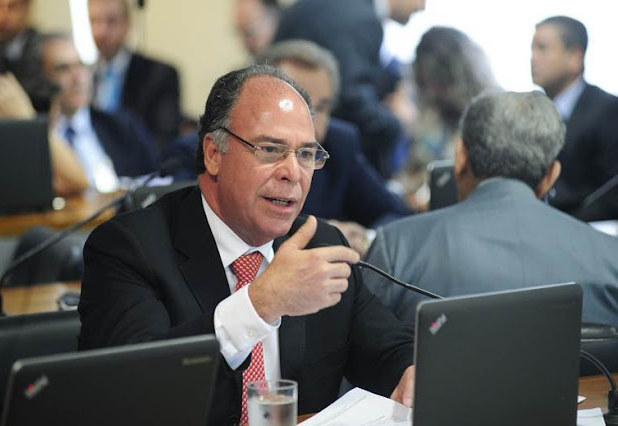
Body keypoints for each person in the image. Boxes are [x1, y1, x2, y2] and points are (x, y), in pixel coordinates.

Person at [78, 64, 415, 425]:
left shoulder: (318, 246)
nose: (292, 173)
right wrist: (259, 304)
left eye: (305, 154)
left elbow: (389, 348)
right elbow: (131, 390)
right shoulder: (129, 249)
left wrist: (409, 372)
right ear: (213, 153)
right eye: (270, 149)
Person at [362, 90, 618, 332]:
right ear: (551, 176)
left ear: (460, 157)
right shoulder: (611, 260)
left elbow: (357, 351)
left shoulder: (396, 247)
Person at [262, 39, 410, 254]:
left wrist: (365, 238)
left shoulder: (339, 144)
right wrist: (323, 234)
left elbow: (397, 215)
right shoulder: (242, 149)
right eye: (298, 106)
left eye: (322, 108)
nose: (312, 123)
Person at [274, 0, 426, 178]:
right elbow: (353, 100)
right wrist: (397, 122)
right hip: (315, 163)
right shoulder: (363, 19)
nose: (422, 7)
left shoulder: (342, 8)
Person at [392, 26, 498, 209]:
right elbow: (413, 169)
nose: (432, 90)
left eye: (437, 81)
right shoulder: (433, 113)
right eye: (427, 83)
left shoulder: (492, 116)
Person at [35, 33, 157, 192]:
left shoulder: (122, 126)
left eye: (81, 65)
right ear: (41, 79)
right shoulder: (36, 138)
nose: (78, 77)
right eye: (63, 69)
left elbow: (155, 182)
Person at [531, 16, 618, 219]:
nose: (533, 58)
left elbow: (611, 193)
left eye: (542, 48)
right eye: (532, 48)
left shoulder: (608, 111)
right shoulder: (530, 110)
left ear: (575, 57)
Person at [88, 0, 181, 146]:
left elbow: (164, 141)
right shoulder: (84, 76)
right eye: (94, 21)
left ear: (127, 24)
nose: (101, 31)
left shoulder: (159, 75)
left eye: (111, 21)